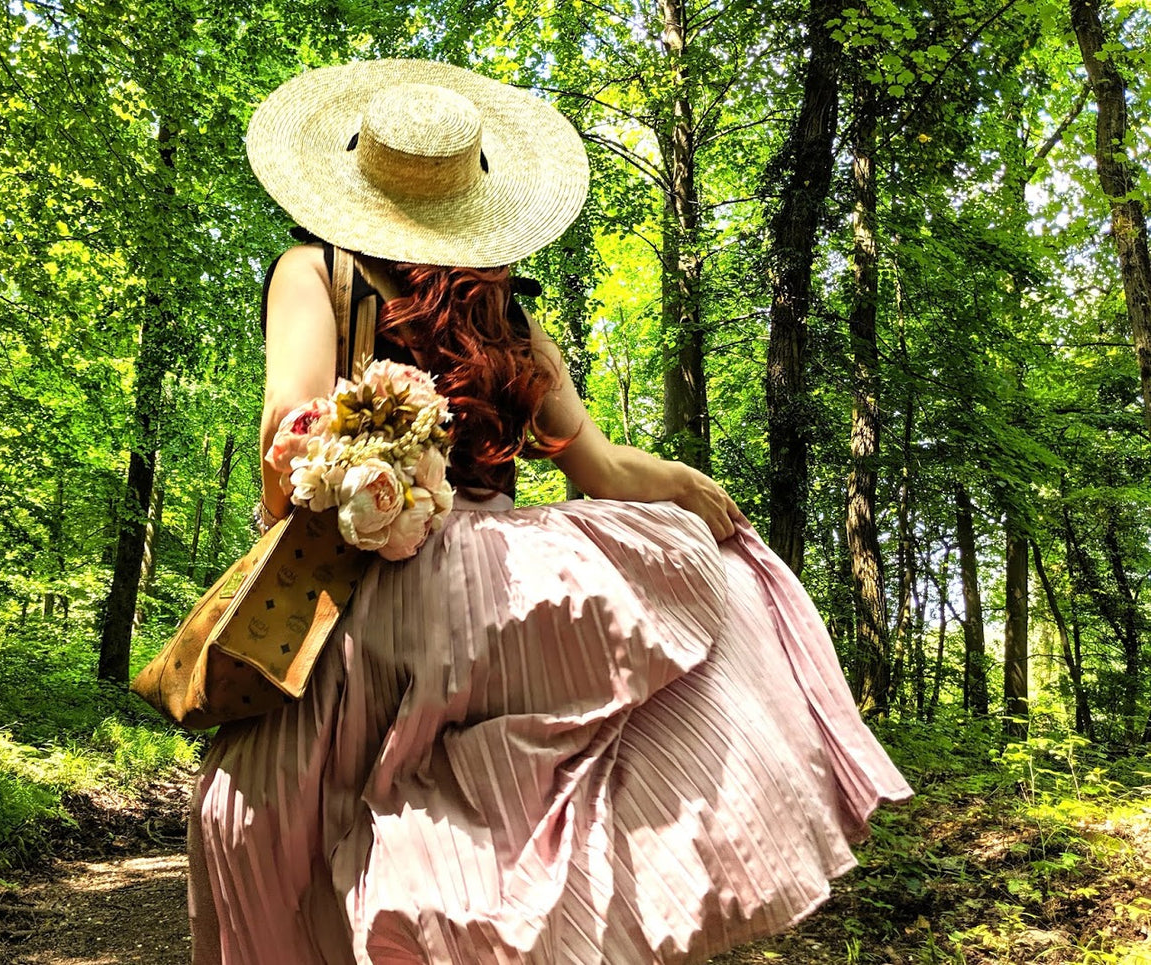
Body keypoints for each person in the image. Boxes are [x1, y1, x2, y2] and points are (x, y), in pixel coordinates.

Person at [187, 59, 912, 965]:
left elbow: (281, 445)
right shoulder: (512, 321)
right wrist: (691, 496)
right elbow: (600, 468)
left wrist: (358, 482)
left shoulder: (315, 270)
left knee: (270, 826)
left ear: (351, 175)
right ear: (475, 197)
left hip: (358, 601)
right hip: (496, 601)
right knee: (497, 818)